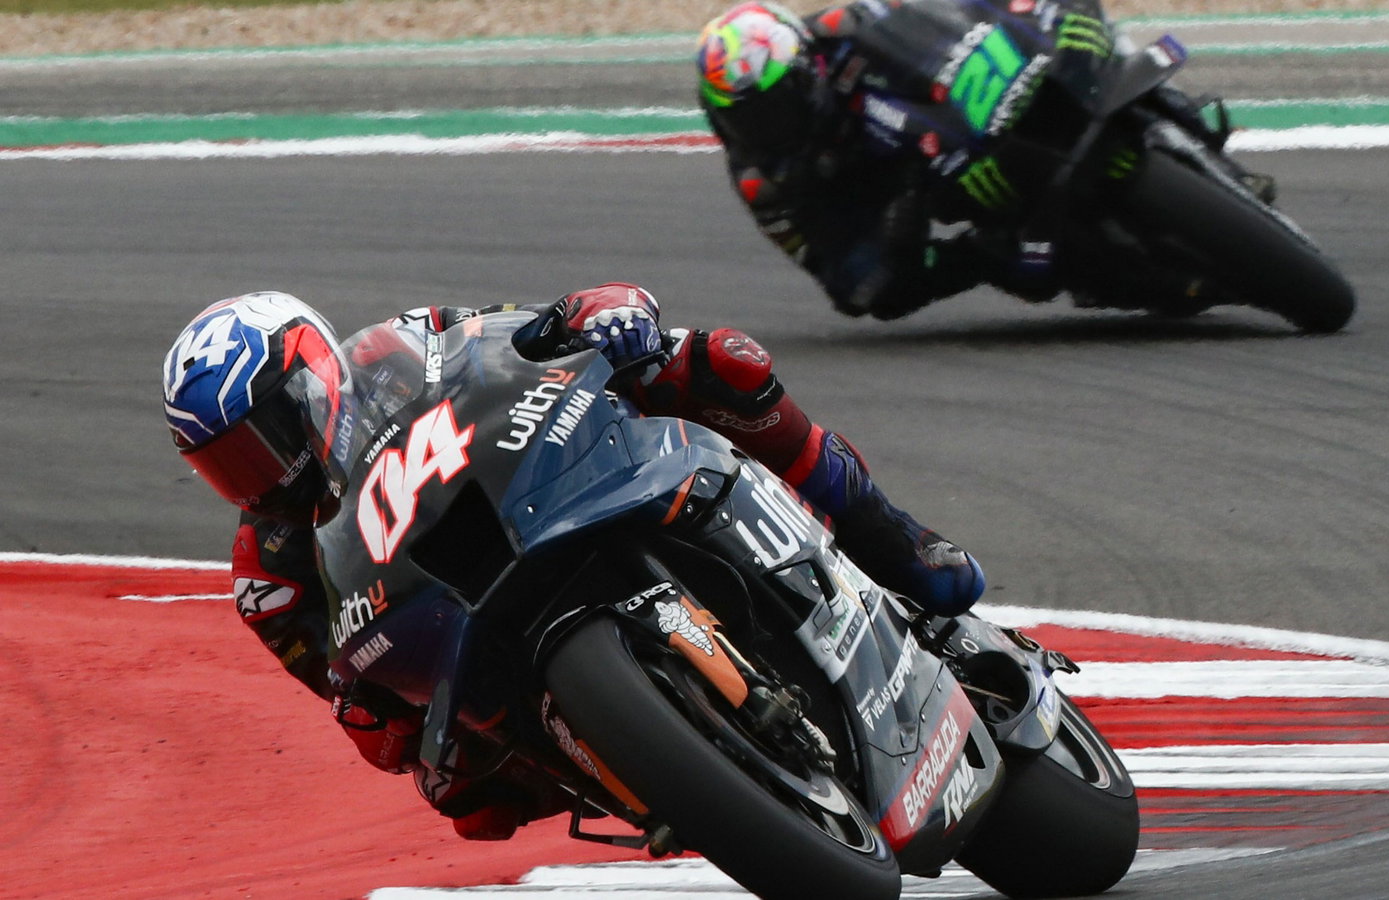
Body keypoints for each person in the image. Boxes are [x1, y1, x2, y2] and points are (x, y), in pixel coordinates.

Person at [161, 283, 984, 840]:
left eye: (266, 438)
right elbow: (350, 692)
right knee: (461, 798)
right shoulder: (269, 574)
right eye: (230, 466)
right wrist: (372, 720)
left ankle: (892, 539)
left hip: (541, 489)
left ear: (315, 378)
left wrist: (600, 313)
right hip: (455, 625)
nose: (264, 476)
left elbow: (523, 334)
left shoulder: (398, 349)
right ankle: (670, 773)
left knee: (711, 360)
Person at [694, 1, 1272, 320]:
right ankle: (1150, 278)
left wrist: (1046, 22)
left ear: (807, 70)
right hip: (938, 197)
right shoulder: (764, 180)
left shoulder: (848, 28)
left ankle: (1196, 139)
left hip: (987, 106)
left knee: (1090, 49)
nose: (766, 126)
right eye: (749, 117)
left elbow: (962, 12)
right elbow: (853, 287)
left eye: (776, 105)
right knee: (1023, 268)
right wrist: (904, 241)